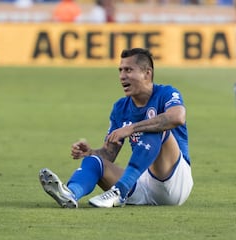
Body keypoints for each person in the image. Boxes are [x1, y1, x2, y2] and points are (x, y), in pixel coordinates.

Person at [39, 48, 193, 208]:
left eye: (128, 70)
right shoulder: (120, 108)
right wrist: (91, 152)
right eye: (120, 70)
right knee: (94, 162)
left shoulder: (166, 93)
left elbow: (177, 117)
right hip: (142, 181)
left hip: (175, 181)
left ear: (147, 73)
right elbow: (109, 154)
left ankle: (119, 192)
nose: (122, 76)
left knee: (155, 129)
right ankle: (70, 194)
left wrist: (132, 128)